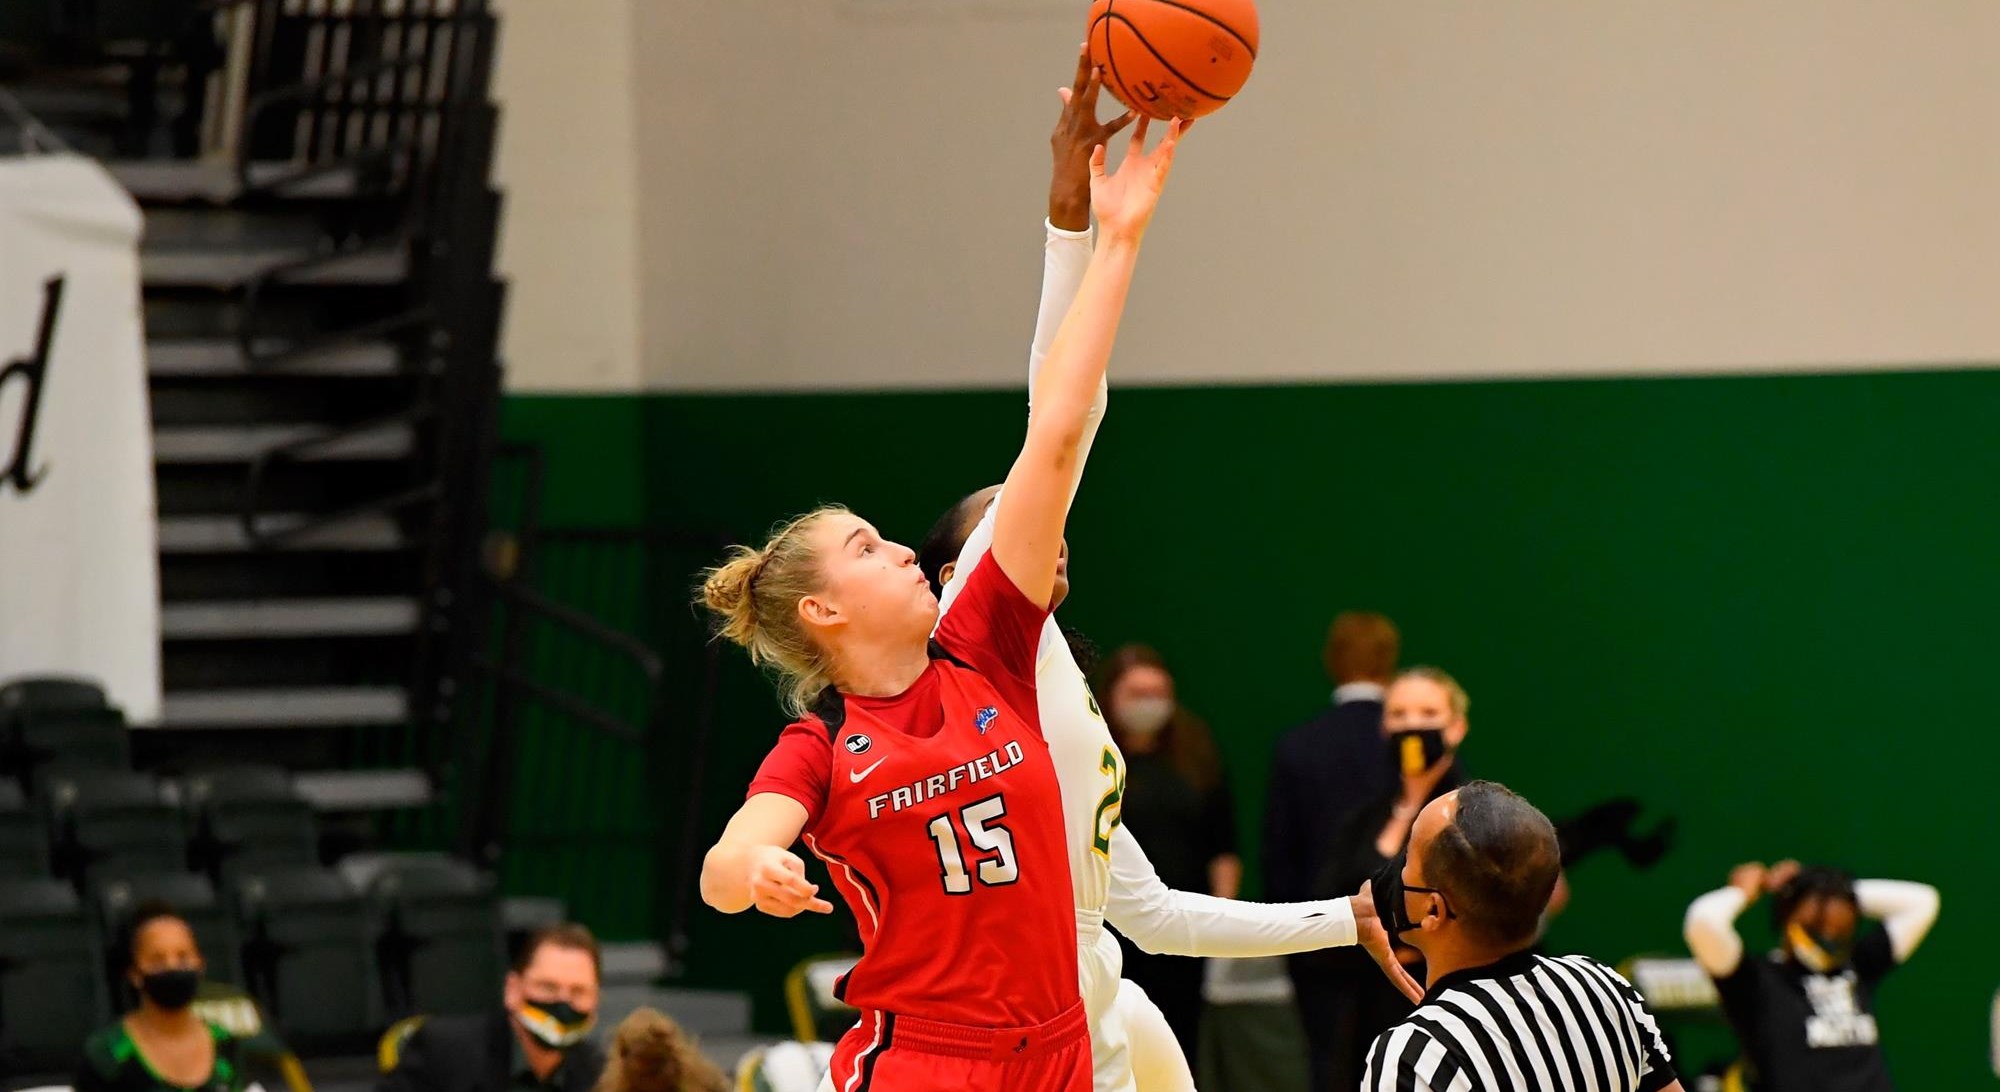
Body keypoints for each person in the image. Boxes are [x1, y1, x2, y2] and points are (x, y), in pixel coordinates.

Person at [909, 51, 1418, 1092]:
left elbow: (1145, 912)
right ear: (961, 570)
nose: (1035, 525)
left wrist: (1342, 916)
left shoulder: (1054, 688)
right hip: (1009, 1038)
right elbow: (1054, 415)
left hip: (1096, 1004)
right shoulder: (965, 647)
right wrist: (1079, 233)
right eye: (1003, 517)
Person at [697, 89, 1189, 1092]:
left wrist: (1119, 239)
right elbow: (728, 856)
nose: (905, 552)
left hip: (1055, 1044)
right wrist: (752, 872)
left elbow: (1056, 432)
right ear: (820, 613)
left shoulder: (988, 641)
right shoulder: (822, 747)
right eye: (869, 549)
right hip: (929, 1065)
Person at [1361, 780, 1684, 1092]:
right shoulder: (1603, 988)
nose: (1395, 873)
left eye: (1409, 858)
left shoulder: (1417, 1057)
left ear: (1434, 911)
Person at [1301, 666, 1469, 1090]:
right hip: (1363, 1010)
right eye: (1399, 714)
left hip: (1452, 1010)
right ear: (1383, 726)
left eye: (1427, 712)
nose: (1412, 725)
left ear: (1456, 726)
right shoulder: (1362, 819)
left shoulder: (1477, 812)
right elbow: (1327, 904)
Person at [1094, 644, 1239, 1060]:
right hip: (1112, 931)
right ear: (1110, 695)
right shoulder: (1097, 755)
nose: (1149, 704)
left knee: (1179, 1044)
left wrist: (1222, 920)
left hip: (1183, 927)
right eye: (1136, 693)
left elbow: (1223, 845)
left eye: (1157, 693)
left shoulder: (1196, 752)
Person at [1682, 859, 1939, 1092]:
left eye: (1839, 928)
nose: (1828, 933)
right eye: (1816, 923)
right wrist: (1745, 893)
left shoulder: (1856, 967)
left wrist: (1825, 887)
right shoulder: (1756, 980)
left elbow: (1922, 902)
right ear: (1787, 916)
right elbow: (1703, 921)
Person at [377, 923, 607, 1092]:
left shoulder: (605, 1075)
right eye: (547, 987)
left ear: (595, 1000)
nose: (562, 1002)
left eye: (578, 992)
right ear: (512, 990)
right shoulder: (445, 1051)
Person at [75, 902, 250, 1092]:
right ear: (135, 974)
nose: (172, 967)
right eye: (157, 960)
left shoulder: (226, 1043)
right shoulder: (107, 1053)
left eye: (183, 957)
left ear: (200, 965)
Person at [593, 1007, 728, 1092]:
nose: (653, 1083)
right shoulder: (610, 1086)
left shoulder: (705, 1082)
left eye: (658, 1065)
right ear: (623, 1057)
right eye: (646, 1072)